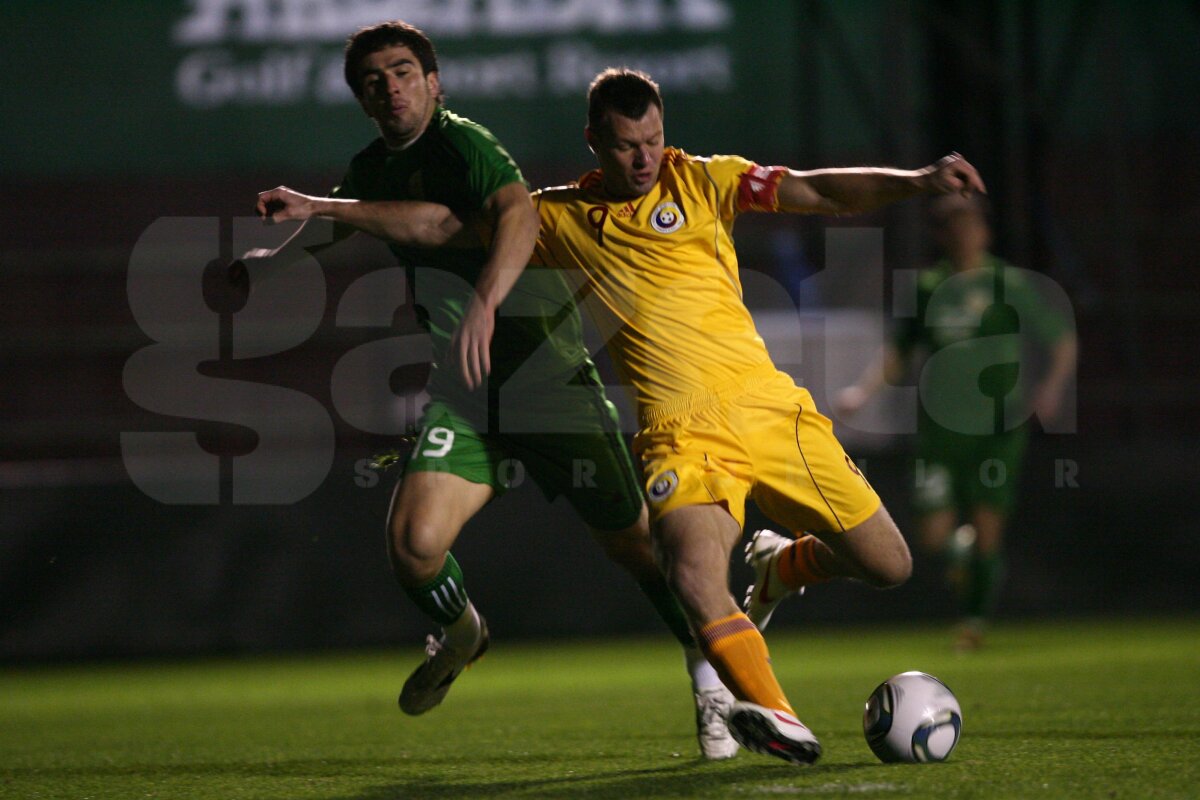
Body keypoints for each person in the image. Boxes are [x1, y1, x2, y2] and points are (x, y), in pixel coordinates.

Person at [369, 68, 987, 764]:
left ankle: (782, 571)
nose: (645, 159)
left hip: (773, 413)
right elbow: (443, 224)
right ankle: (778, 715)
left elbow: (815, 189)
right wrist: (329, 210)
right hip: (681, 437)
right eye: (628, 145)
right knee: (693, 578)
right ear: (595, 141)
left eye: (655, 140)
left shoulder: (705, 180)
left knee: (891, 565)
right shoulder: (560, 217)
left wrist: (917, 180)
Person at [236, 24, 738, 760]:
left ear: (434, 82)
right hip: (469, 392)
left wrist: (481, 300)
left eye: (404, 71)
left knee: (641, 550)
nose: (392, 86)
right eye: (374, 78)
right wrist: (267, 265)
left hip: (547, 380)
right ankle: (465, 633)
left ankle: (711, 680)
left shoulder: (462, 143)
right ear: (361, 96)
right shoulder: (372, 167)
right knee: (413, 544)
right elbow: (339, 226)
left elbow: (503, 215)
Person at [835, 194, 1077, 650]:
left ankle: (973, 622)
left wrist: (1051, 388)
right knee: (932, 536)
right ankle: (965, 561)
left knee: (988, 528)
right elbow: (899, 352)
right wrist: (862, 392)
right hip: (940, 432)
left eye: (971, 226)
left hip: (998, 429)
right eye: (955, 227)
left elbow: (1061, 338)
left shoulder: (1008, 283)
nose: (964, 235)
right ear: (943, 236)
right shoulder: (929, 287)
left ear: (984, 232)